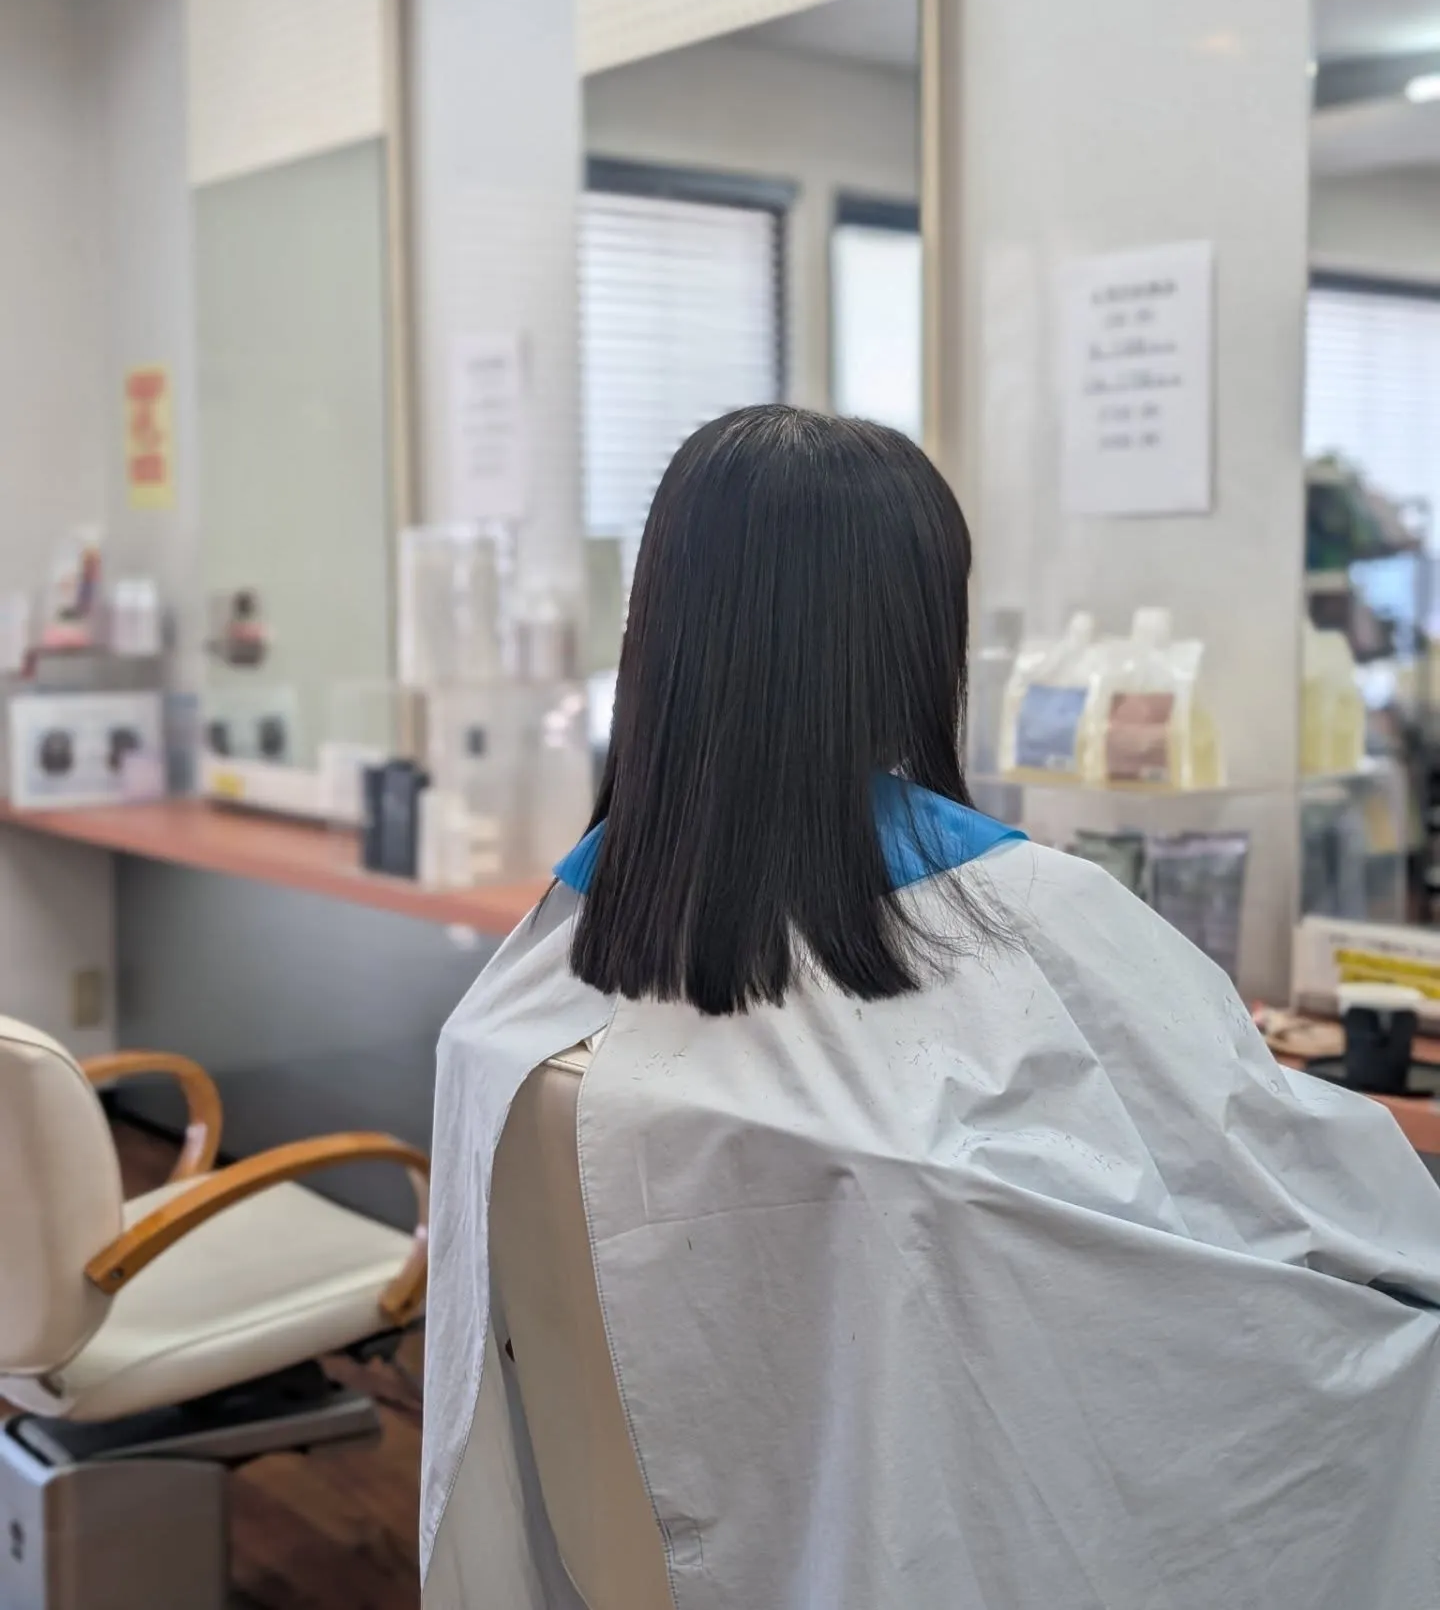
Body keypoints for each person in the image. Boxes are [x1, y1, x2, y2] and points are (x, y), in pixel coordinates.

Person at [422, 405, 1440, 1610]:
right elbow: (1323, 1218)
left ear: (662, 629)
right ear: (914, 632)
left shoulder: (543, 968)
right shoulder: (1032, 914)